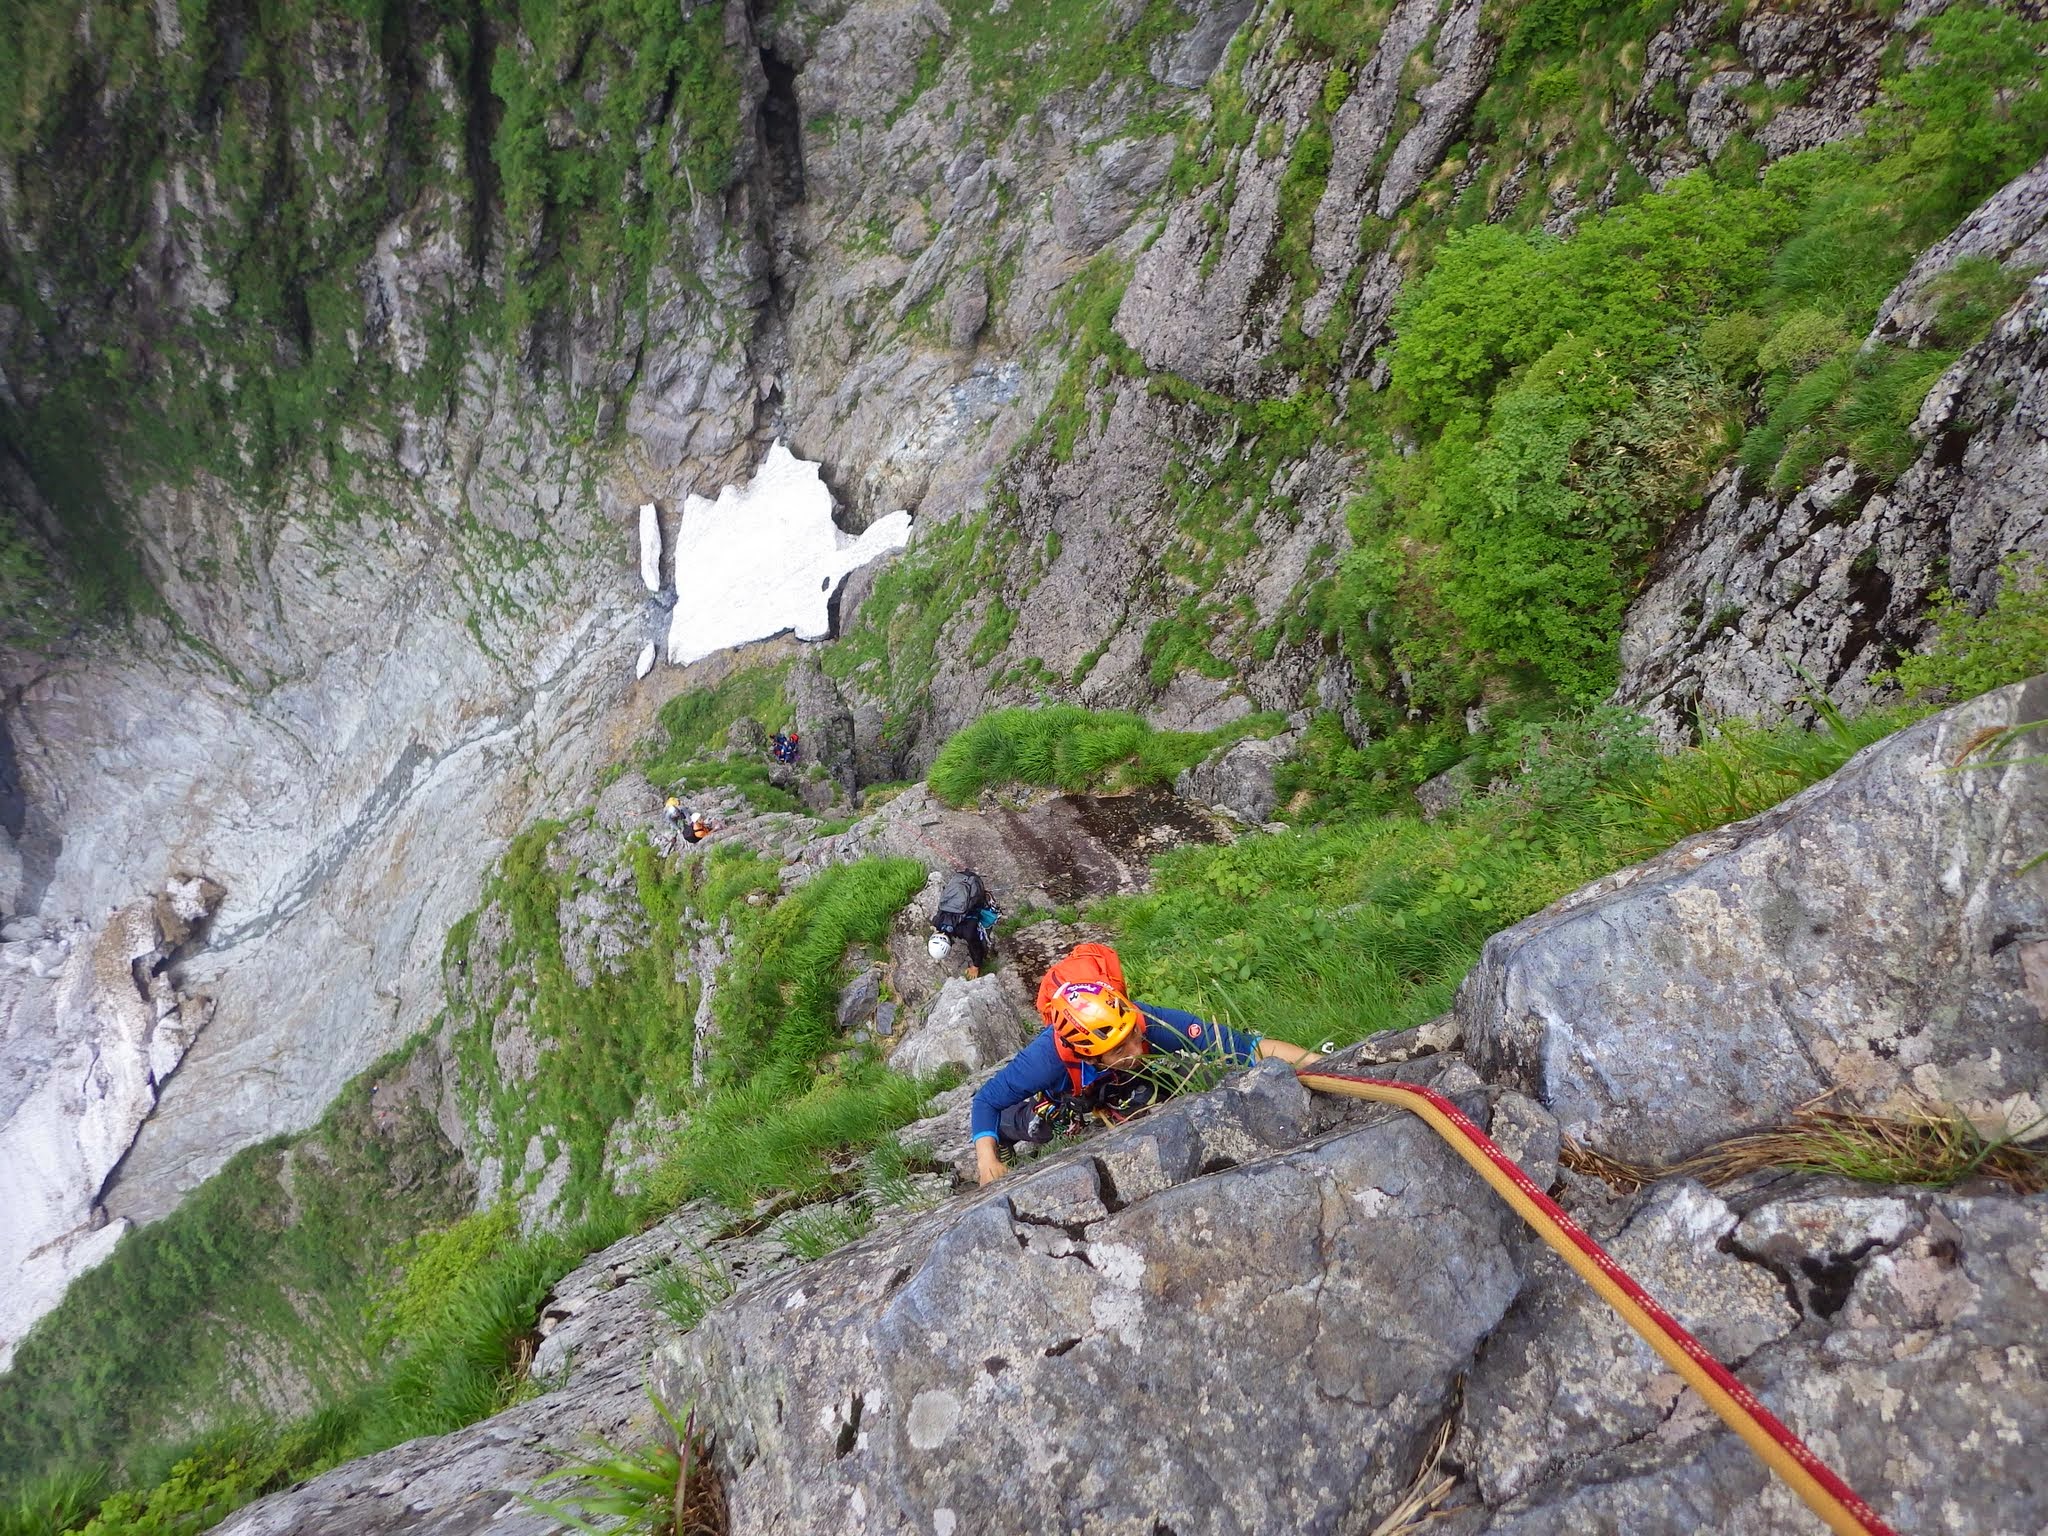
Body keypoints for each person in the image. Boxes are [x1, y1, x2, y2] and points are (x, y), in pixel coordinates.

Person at [971, 942, 1321, 1185]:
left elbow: (1244, 1046)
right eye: (1121, 1048)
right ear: (1089, 1054)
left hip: (1114, 1083)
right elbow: (986, 1100)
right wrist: (987, 1159)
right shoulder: (1046, 1059)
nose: (1137, 1049)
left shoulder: (1145, 1020)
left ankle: (1122, 1094)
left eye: (1135, 1038)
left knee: (1152, 1085)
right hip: (1068, 1094)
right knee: (1038, 1125)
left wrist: (1320, 1063)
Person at [927, 868, 997, 975]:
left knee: (976, 930)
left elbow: (976, 947)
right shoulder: (937, 921)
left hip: (975, 882)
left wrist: (976, 966)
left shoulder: (966, 932)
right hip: (960, 878)